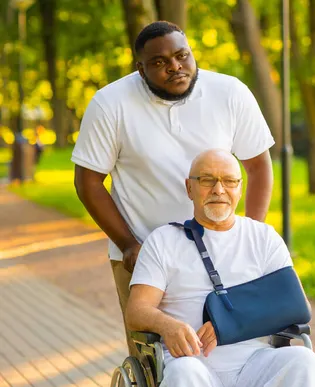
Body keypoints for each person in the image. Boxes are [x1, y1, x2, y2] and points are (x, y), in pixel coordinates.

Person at [71, 21, 275, 356]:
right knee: (158, 356)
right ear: (141, 68)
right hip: (147, 253)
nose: (175, 67)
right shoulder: (110, 104)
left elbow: (257, 165)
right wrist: (127, 244)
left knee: (235, 349)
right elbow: (88, 181)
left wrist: (251, 233)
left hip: (223, 247)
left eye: (182, 56)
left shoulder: (230, 93)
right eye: (160, 62)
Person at [126, 149, 315, 387]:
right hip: (193, 364)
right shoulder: (163, 241)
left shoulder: (264, 238)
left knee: (303, 360)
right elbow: (136, 311)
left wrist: (227, 325)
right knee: (183, 372)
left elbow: (296, 307)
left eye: (229, 181)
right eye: (207, 180)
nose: (219, 190)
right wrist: (168, 325)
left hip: (256, 362)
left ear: (239, 189)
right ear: (189, 188)